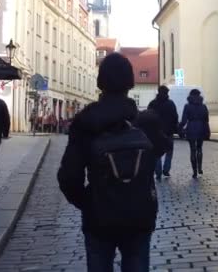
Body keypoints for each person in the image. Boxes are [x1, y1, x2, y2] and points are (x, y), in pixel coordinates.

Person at [58, 53, 170, 272]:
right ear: (130, 83)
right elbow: (163, 146)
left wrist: (88, 202)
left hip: (99, 218)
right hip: (139, 216)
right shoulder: (144, 121)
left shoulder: (85, 122)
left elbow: (69, 177)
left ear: (100, 83)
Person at [147, 85, 178, 180]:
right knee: (169, 151)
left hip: (156, 132)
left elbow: (149, 117)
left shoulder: (152, 103)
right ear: (167, 93)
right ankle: (166, 170)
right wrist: (174, 128)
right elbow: (175, 117)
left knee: (157, 153)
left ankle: (158, 172)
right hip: (168, 132)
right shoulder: (171, 103)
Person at [179, 89, 210, 179]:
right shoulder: (203, 106)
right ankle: (200, 167)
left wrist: (180, 128)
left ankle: (194, 171)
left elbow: (184, 120)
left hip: (191, 127)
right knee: (199, 148)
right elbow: (206, 120)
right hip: (201, 127)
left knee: (192, 150)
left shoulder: (187, 106)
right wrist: (207, 131)